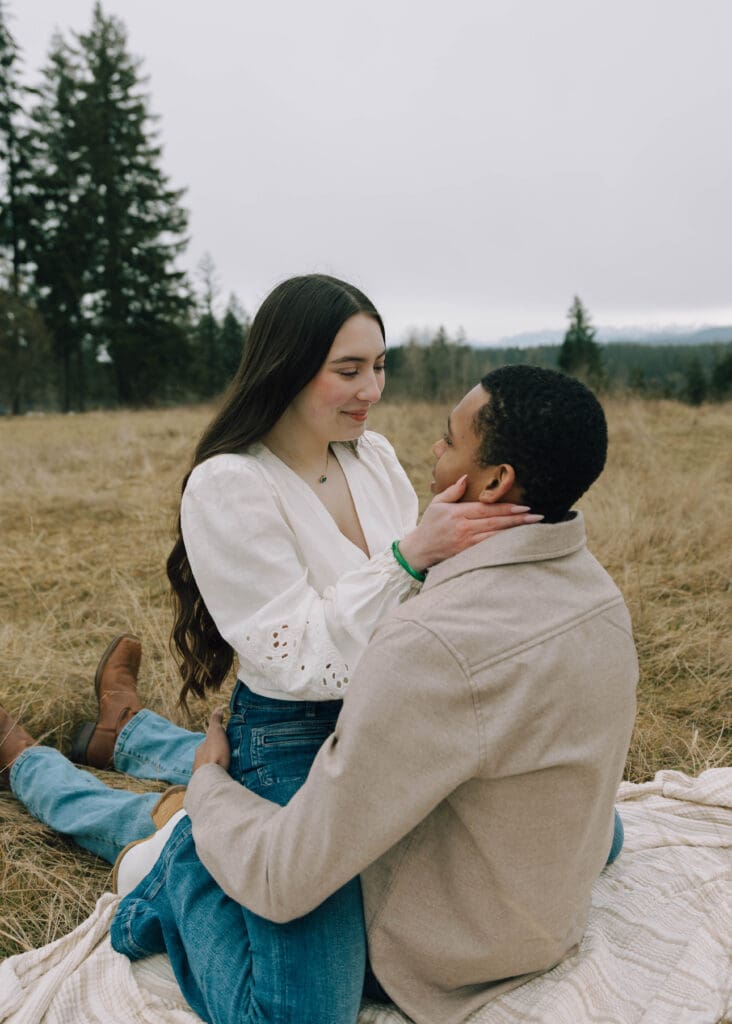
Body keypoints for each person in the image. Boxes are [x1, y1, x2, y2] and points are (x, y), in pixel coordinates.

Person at [0, 275, 536, 1024]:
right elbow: (300, 655)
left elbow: (410, 610)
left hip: (394, 714)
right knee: (305, 1011)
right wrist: (411, 556)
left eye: (379, 365)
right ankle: (183, 861)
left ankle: (132, 737)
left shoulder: (372, 457)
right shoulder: (229, 484)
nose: (371, 390)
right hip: (292, 732)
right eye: (348, 371)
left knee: (577, 840)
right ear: (287, 366)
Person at [108, 364, 638, 1024]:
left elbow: (283, 872)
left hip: (379, 748)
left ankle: (174, 849)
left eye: (448, 441)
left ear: (496, 480)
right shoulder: (600, 595)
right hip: (287, 719)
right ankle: (110, 743)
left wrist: (210, 787)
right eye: (351, 368)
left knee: (288, 996)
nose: (432, 450)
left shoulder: (428, 638)